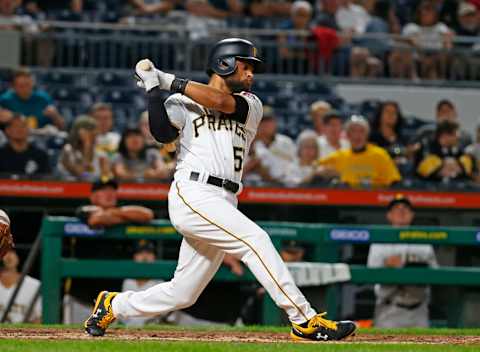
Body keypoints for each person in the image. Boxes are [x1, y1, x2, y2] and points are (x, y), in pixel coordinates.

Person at [84, 37, 356, 341]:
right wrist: (152, 90)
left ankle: (114, 304)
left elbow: (220, 102)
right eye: (246, 66)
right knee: (256, 240)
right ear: (224, 63)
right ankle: (303, 319)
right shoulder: (180, 102)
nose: (251, 73)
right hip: (193, 192)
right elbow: (161, 134)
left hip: (226, 198)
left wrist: (167, 79)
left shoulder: (251, 104)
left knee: (182, 293)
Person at [367, 194, 437, 328]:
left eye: (405, 208)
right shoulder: (379, 242)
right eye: (396, 208)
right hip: (390, 309)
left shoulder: (423, 241)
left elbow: (436, 273)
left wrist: (409, 266)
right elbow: (371, 274)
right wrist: (388, 268)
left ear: (412, 215)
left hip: (419, 310)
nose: (401, 211)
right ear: (389, 215)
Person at [120, 240, 222, 327]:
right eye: (140, 253)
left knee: (195, 323)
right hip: (146, 319)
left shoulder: (158, 281)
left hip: (167, 316)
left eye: (149, 253)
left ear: (154, 257)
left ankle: (226, 325)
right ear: (134, 257)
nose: (145, 256)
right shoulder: (128, 282)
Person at [317, 115, 401, 187]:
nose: (357, 136)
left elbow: (394, 181)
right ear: (348, 135)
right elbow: (315, 166)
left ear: (367, 134)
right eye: (353, 131)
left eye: (361, 131)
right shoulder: (340, 156)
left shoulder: (380, 154)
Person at [0, 68, 65, 130]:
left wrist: (55, 116)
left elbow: (62, 127)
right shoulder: (5, 100)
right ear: (13, 87)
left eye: (28, 84)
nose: (25, 89)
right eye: (21, 86)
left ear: (32, 83)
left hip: (40, 136)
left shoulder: (44, 98)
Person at [77, 177, 154, 228]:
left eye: (112, 190)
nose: (110, 193)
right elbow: (96, 220)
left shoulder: (120, 209)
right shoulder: (84, 209)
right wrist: (128, 218)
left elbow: (147, 214)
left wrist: (112, 212)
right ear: (93, 196)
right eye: (104, 190)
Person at [56, 115, 110, 181]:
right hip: (69, 189)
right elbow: (82, 175)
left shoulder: (101, 154)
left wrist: (105, 177)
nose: (96, 134)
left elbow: (106, 179)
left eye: (95, 131)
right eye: (91, 131)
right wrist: (87, 145)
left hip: (95, 190)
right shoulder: (68, 150)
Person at [0, 249, 42, 323]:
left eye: (12, 252)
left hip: (25, 332)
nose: (8, 256)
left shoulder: (34, 284)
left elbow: (40, 317)